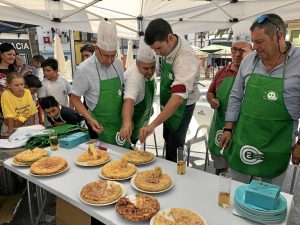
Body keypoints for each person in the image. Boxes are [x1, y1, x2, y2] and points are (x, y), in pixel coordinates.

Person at [220, 14, 300, 186]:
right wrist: (228, 127)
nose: (254, 47)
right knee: (235, 190)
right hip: (244, 139)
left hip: (278, 144)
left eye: (260, 41)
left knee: (266, 200)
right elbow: (236, 96)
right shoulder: (249, 60)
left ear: (279, 36)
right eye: (253, 42)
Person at [139, 18, 200, 162]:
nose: (157, 53)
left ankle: (175, 177)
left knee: (175, 147)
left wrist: (152, 125)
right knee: (167, 138)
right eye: (154, 50)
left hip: (182, 106)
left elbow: (178, 97)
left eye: (159, 48)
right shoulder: (168, 44)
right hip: (168, 101)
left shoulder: (185, 58)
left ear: (170, 38)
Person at [71, 20, 128, 147]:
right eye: (106, 56)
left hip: (120, 124)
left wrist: (128, 120)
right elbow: (74, 98)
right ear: (97, 49)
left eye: (113, 55)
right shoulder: (84, 69)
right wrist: (90, 120)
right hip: (99, 126)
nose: (109, 60)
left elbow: (121, 92)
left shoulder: (118, 64)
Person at [207, 21, 252, 175]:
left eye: (242, 50)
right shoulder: (222, 72)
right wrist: (211, 100)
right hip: (220, 125)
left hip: (242, 130)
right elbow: (210, 92)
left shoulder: (255, 75)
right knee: (220, 168)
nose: (237, 54)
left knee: (240, 172)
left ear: (252, 52)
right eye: (234, 50)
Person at [119, 36, 156, 144]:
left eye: (152, 67)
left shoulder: (149, 72)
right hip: (132, 123)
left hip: (142, 119)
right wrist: (127, 123)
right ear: (137, 64)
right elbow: (128, 101)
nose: (150, 71)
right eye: (146, 68)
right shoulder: (134, 78)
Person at [1, 72, 37, 137]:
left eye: (22, 84)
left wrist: (33, 128)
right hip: (10, 127)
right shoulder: (6, 95)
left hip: (24, 126)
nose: (20, 88)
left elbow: (32, 112)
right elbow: (9, 115)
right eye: (16, 85)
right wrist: (10, 132)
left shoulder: (27, 92)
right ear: (9, 85)